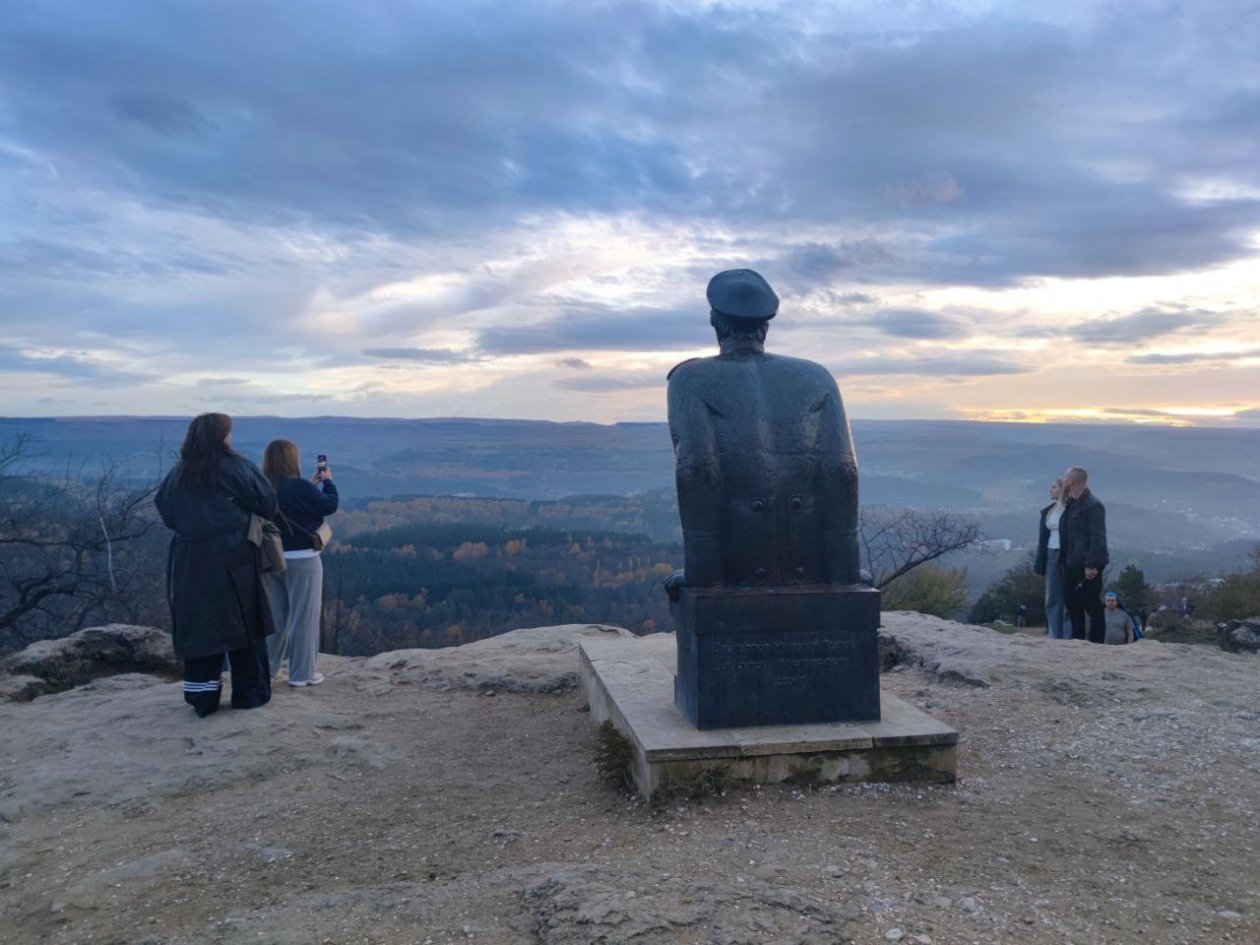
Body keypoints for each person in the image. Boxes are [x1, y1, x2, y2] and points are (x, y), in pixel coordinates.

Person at [155, 413, 278, 717]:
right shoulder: (238, 467)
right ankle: (250, 693)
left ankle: (203, 698)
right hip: (236, 556)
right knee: (246, 623)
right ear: (222, 436)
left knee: (201, 626)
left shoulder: (180, 472)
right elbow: (267, 503)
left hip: (191, 559)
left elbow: (166, 510)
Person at [261, 439, 339, 687]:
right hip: (303, 560)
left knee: (275, 619)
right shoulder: (299, 487)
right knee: (304, 617)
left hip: (269, 560)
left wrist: (310, 486)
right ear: (291, 459)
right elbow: (329, 505)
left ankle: (265, 671)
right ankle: (302, 674)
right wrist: (327, 482)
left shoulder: (262, 486)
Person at [1060, 466, 1109, 643]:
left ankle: (1096, 642)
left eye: (1065, 478)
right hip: (1071, 562)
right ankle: (1077, 640)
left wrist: (1092, 565)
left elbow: (1097, 538)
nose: (1063, 480)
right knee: (1072, 603)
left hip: (1087, 564)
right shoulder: (1071, 504)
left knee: (1091, 604)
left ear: (1073, 481)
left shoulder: (1093, 505)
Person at [1033, 477, 1070, 639]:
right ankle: (1054, 634)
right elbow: (1042, 539)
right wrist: (1039, 563)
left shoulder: (1071, 509)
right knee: (1052, 597)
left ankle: (1069, 634)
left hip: (1068, 555)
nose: (1050, 490)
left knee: (1069, 597)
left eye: (1054, 487)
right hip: (1051, 554)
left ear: (1062, 489)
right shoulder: (1048, 511)